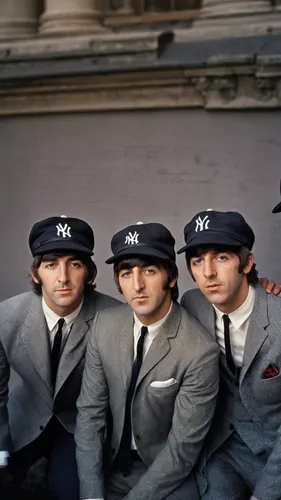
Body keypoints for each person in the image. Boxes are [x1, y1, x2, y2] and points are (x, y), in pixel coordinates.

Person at [75, 221, 219, 500]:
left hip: (164, 473)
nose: (137, 285)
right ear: (117, 281)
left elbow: (182, 449)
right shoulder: (104, 325)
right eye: (127, 273)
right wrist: (91, 494)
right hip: (111, 465)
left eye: (150, 271)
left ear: (172, 277)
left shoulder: (199, 350)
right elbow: (90, 415)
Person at [0, 215, 121, 500]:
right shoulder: (6, 317)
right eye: (51, 265)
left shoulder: (116, 319)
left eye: (74, 264)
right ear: (35, 273)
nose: (63, 277)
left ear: (90, 274)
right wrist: (1, 454)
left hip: (81, 426)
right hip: (25, 415)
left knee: (69, 493)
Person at [178, 209, 281, 500]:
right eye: (197, 261)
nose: (208, 272)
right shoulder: (192, 303)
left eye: (221, 258)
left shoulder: (279, 319)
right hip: (220, 446)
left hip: (275, 451)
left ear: (247, 262)